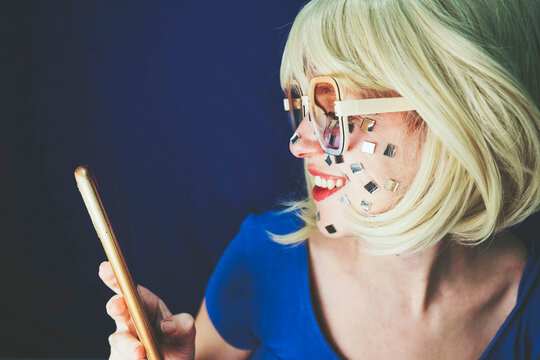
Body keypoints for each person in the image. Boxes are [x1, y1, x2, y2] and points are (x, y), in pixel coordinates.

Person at [99, 0, 540, 358]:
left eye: (332, 110)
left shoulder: (529, 303)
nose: (298, 142)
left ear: (457, 118)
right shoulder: (263, 259)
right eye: (302, 106)